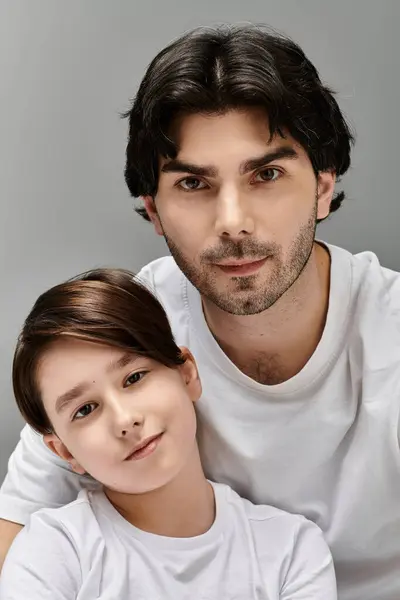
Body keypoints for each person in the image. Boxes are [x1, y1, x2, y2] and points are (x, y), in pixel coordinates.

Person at [0, 22, 399, 600]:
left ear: (322, 183)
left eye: (266, 174)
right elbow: (15, 535)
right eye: (193, 184)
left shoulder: (388, 333)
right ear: (154, 211)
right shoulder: (128, 330)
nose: (233, 221)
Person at [0, 268, 336, 599]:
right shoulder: (51, 554)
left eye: (134, 378)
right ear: (65, 452)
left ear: (187, 373)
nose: (125, 419)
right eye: (85, 410)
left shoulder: (291, 550)